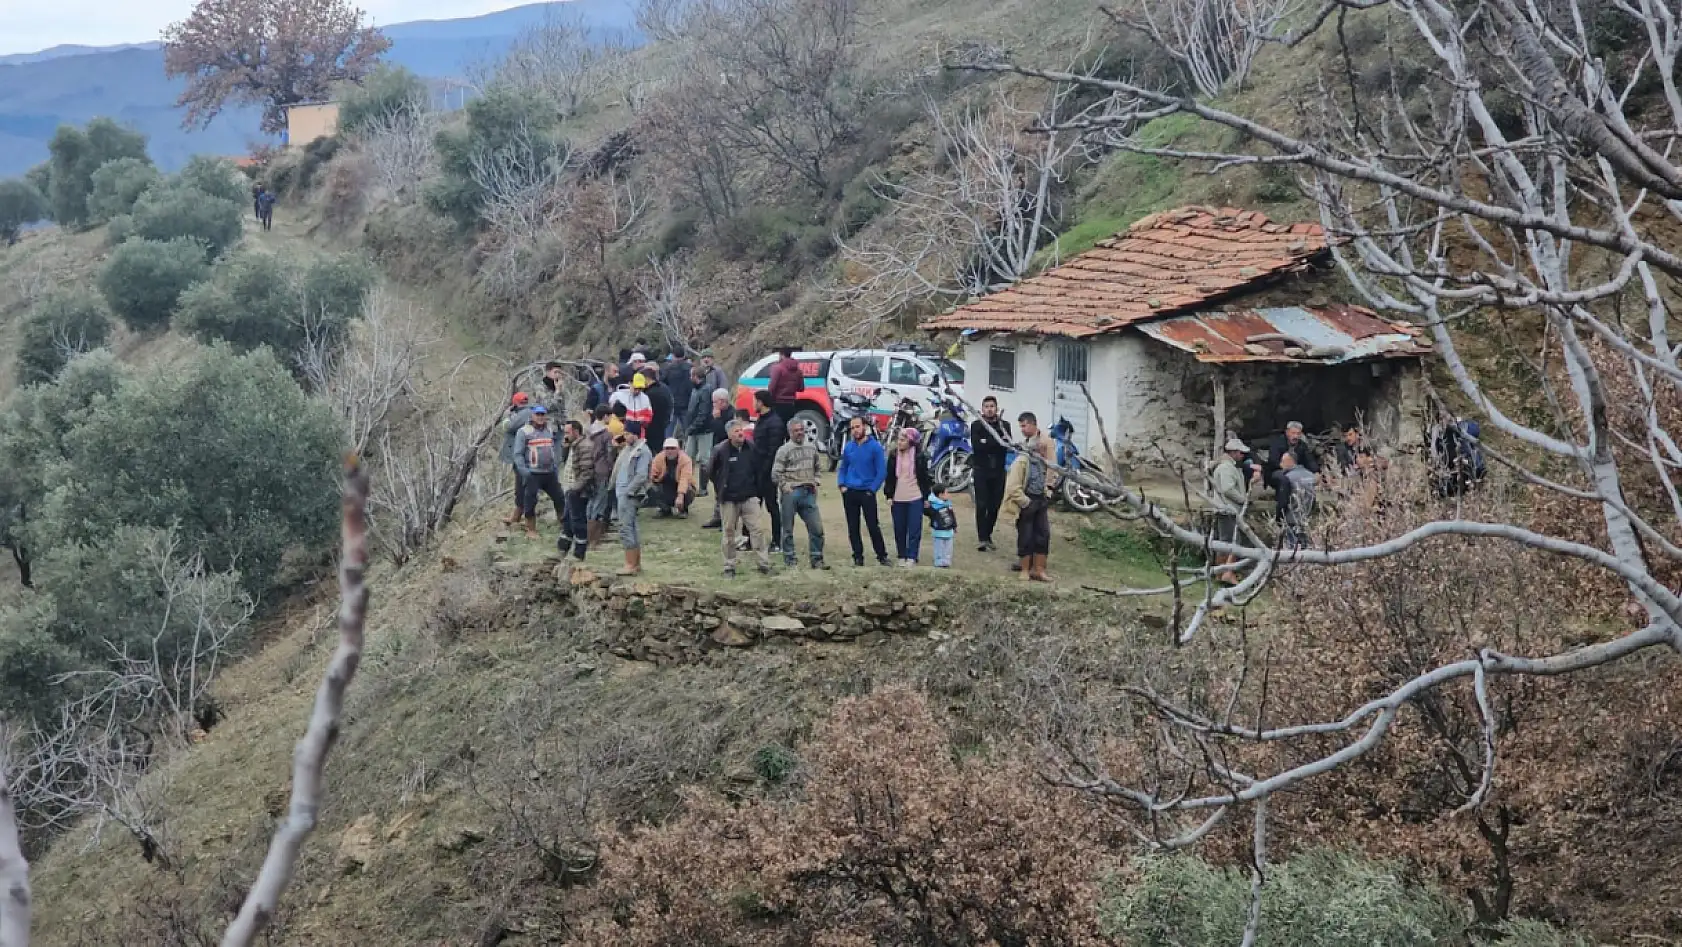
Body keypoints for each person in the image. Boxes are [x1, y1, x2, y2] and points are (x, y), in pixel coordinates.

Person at [710, 420, 772, 576]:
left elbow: (758, 469)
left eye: (741, 430)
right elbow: (711, 471)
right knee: (729, 532)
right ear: (729, 434)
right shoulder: (720, 450)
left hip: (749, 496)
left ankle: (763, 564)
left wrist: (757, 489)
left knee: (757, 530)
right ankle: (729, 566)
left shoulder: (751, 447)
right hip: (729, 498)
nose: (740, 433)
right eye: (736, 431)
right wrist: (720, 488)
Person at [1002, 412, 1055, 582]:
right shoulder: (1022, 461)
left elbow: (1053, 469)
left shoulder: (1046, 444)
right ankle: (1025, 569)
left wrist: (1048, 491)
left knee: (1043, 534)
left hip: (1041, 496)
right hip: (1028, 499)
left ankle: (1039, 569)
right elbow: (1013, 486)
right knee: (1025, 534)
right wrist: (1025, 502)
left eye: (1025, 426)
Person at [773, 418, 828, 569]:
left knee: (816, 528)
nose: (799, 433)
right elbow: (776, 473)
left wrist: (816, 480)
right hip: (791, 492)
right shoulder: (784, 450)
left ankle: (817, 559)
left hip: (808, 492)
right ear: (790, 432)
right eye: (796, 430)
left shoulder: (811, 447)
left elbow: (818, 466)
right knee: (788, 529)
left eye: (801, 430)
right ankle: (790, 559)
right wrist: (785, 487)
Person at [837, 415, 890, 566]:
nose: (855, 430)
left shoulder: (875, 447)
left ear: (864, 427)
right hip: (850, 491)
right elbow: (843, 468)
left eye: (857, 427)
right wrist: (842, 485)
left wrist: (872, 490)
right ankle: (858, 557)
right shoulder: (849, 447)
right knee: (853, 527)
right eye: (852, 428)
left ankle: (882, 556)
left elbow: (881, 472)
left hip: (867, 491)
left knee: (873, 525)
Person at [513, 406, 565, 539]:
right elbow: (518, 454)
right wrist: (524, 471)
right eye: (538, 414)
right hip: (533, 473)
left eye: (543, 414)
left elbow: (558, 444)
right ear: (532, 416)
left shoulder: (550, 430)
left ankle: (564, 526)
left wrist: (556, 463)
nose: (540, 417)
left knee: (559, 498)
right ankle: (530, 530)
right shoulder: (524, 432)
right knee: (530, 500)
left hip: (550, 472)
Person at [883, 428, 932, 566]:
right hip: (898, 497)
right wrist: (889, 495)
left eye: (903, 440)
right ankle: (901, 555)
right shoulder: (893, 455)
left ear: (911, 441)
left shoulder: (920, 456)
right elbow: (890, 477)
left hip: (915, 496)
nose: (899, 442)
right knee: (899, 528)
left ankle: (912, 556)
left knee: (914, 528)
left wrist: (926, 497)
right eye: (899, 439)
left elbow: (925, 478)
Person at [970, 396, 1012, 551]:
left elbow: (1006, 444)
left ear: (996, 408)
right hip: (981, 470)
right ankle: (982, 538)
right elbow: (977, 446)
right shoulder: (976, 425)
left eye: (992, 406)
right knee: (981, 505)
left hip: (998, 472)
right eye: (986, 406)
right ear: (982, 409)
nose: (989, 409)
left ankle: (988, 535)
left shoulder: (1004, 425)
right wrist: (994, 442)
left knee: (995, 505)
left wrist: (987, 442)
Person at [1210, 438, 1253, 584]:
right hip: (1228, 509)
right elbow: (1228, 489)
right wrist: (1242, 500)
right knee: (1231, 542)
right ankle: (1227, 572)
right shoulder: (1227, 468)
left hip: (1226, 509)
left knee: (1225, 541)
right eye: (1241, 453)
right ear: (1233, 453)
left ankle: (1221, 572)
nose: (1242, 456)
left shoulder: (1229, 466)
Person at [613, 420, 653, 575]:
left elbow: (641, 475)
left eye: (627, 433)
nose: (625, 436)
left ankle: (630, 564)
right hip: (622, 492)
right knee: (631, 527)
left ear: (635, 434)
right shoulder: (628, 449)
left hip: (630, 494)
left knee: (626, 528)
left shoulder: (642, 451)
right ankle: (635, 564)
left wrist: (629, 491)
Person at [752, 391, 787, 552]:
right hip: (757, 469)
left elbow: (773, 451)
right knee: (752, 506)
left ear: (761, 402)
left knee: (772, 506)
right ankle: (750, 538)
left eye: (755, 401)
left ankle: (777, 541)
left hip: (767, 472)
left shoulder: (775, 423)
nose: (753, 405)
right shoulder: (762, 420)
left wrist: (765, 472)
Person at [558, 419, 593, 560]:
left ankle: (579, 553)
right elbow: (565, 462)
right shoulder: (572, 445)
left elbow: (587, 473)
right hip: (569, 488)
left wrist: (575, 489)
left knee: (577, 520)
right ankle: (563, 549)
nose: (565, 435)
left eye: (567, 432)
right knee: (567, 520)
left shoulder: (584, 447)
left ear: (576, 432)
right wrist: (565, 447)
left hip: (578, 490)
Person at [499, 392, 534, 526]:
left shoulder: (523, 413)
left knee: (521, 485)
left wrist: (507, 415)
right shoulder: (527, 412)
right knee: (520, 484)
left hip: (521, 455)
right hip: (523, 454)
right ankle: (519, 513)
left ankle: (520, 514)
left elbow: (509, 427)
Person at [701, 389, 734, 528]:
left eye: (715, 402)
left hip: (728, 454)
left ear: (722, 401)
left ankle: (726, 519)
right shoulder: (718, 413)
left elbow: (724, 433)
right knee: (716, 484)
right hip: (717, 452)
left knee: (726, 487)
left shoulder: (732, 414)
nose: (713, 405)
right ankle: (717, 516)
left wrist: (717, 419)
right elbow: (710, 427)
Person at [587, 406, 617, 549]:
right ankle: (594, 538)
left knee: (591, 501)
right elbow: (609, 455)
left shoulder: (588, 431)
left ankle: (585, 534)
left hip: (588, 470)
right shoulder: (606, 435)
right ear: (605, 416)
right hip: (602, 470)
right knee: (600, 501)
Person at [684, 369, 716, 495]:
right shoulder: (696, 389)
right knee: (688, 457)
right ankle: (688, 485)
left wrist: (692, 427)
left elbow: (703, 412)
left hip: (704, 430)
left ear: (696, 376)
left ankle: (703, 488)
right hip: (694, 429)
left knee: (704, 459)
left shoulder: (705, 390)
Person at [1276, 451, 1317, 549]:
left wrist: (1278, 518)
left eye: (1282, 461)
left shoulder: (1287, 478)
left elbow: (1283, 501)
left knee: (1292, 549)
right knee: (1306, 547)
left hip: (1291, 519)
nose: (1280, 465)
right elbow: (1314, 498)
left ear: (1290, 461)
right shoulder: (1310, 475)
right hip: (1306, 518)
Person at [650, 438, 697, 517]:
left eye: (673, 448)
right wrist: (653, 479)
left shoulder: (686, 460)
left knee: (689, 489)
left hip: (681, 485)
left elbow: (685, 479)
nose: (670, 451)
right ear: (664, 449)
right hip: (665, 485)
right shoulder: (658, 458)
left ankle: (683, 509)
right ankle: (665, 509)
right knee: (650, 487)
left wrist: (680, 496)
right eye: (667, 448)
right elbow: (652, 475)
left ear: (678, 449)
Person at [766, 346, 803, 421]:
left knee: (777, 428)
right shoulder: (798, 370)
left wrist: (768, 401)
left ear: (782, 355)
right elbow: (801, 388)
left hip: (778, 404)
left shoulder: (777, 368)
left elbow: (772, 387)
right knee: (789, 428)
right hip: (791, 404)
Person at [643, 366, 675, 452]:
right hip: (663, 426)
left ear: (646, 378)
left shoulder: (649, 394)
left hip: (651, 430)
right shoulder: (664, 388)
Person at [925, 485, 957, 568]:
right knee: (939, 548)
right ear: (940, 495)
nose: (948, 494)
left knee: (948, 548)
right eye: (946, 492)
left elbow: (952, 515)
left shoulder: (948, 504)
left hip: (949, 531)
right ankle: (939, 562)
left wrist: (954, 525)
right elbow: (927, 513)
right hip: (938, 531)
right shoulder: (933, 506)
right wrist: (927, 506)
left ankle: (946, 561)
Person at [663, 352, 694, 433]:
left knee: (669, 429)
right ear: (684, 356)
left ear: (673, 356)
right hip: (687, 403)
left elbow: (663, 383)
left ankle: (667, 444)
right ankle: (687, 445)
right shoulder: (690, 368)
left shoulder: (669, 369)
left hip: (672, 402)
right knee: (687, 430)